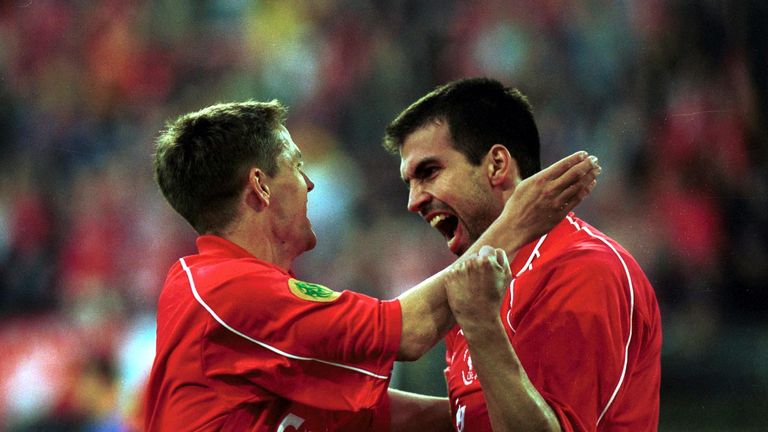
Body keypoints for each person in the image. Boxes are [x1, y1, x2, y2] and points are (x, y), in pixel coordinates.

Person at [144, 99, 599, 431]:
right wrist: (518, 220)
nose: (309, 182)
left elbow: (374, 415)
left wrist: (490, 415)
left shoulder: (215, 292)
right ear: (260, 186)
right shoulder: (230, 292)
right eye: (296, 166)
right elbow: (412, 329)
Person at [383, 77, 662, 431]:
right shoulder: (478, 280)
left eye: (429, 172)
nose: (413, 201)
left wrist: (480, 322)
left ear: (497, 165)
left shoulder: (584, 269)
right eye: (410, 183)